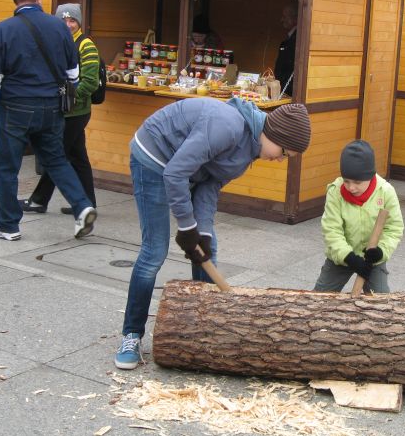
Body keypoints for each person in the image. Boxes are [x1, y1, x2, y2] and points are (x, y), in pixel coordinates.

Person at [115, 97, 311, 369]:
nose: (280, 160)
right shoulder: (226, 126)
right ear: (274, 134)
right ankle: (131, 335)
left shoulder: (249, 152)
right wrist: (186, 226)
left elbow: (209, 186)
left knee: (208, 248)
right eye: (284, 152)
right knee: (154, 251)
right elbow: (174, 173)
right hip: (154, 157)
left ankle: (204, 327)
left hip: (185, 170)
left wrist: (201, 231)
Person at [0, 0, 97, 242]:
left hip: (14, 107)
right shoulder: (60, 29)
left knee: (7, 167)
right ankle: (82, 205)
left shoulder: (2, 30)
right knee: (56, 160)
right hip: (52, 106)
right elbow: (73, 76)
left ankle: (8, 225)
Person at [19, 4, 99, 216]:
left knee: (55, 157)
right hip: (65, 111)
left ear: (79, 23)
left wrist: (68, 98)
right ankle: (88, 202)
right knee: (78, 156)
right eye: (63, 20)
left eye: (72, 20)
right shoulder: (57, 41)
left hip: (76, 112)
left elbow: (90, 82)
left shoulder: (86, 45)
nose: (68, 25)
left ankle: (39, 200)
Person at [313, 140, 404, 294]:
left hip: (372, 261)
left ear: (370, 176)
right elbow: (331, 231)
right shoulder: (335, 192)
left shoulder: (386, 192)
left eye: (357, 182)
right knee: (319, 299)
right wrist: (349, 257)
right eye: (346, 181)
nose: (351, 187)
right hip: (342, 257)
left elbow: (394, 229)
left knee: (380, 303)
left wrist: (381, 252)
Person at [274, 4, 297, 97]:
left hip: (288, 91)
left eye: (285, 17)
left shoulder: (297, 40)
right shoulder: (290, 39)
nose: (281, 20)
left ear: (295, 19)